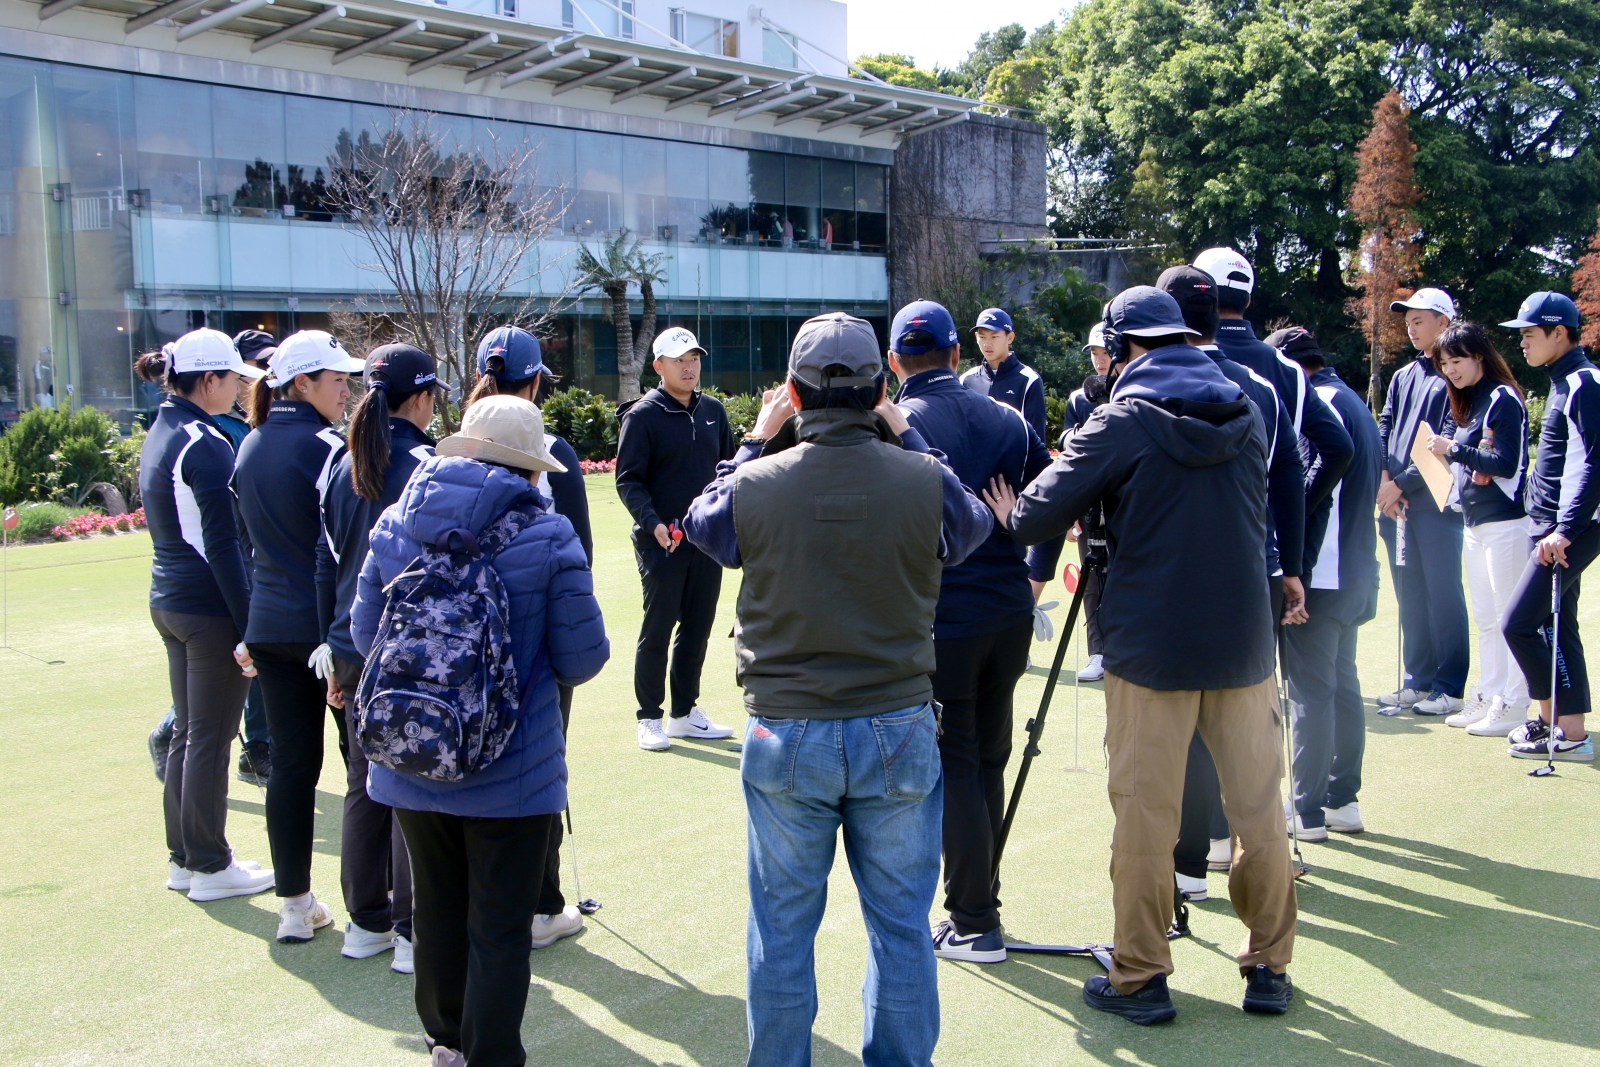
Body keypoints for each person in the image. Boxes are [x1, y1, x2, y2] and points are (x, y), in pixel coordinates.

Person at [683, 311, 991, 1067]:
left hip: (788, 727)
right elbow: (972, 525)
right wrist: (905, 429)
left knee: (782, 929)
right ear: (881, 387)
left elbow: (703, 526)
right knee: (900, 926)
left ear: (792, 391)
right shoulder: (919, 477)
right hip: (897, 723)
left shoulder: (756, 481)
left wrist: (756, 436)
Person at [986, 287, 1296, 1024]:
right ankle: (1270, 968)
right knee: (1259, 811)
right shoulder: (1248, 409)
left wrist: (1010, 512)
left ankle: (1142, 973)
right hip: (1245, 643)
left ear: (1125, 349)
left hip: (1150, 644)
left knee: (1146, 815)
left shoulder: (1121, 419)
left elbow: (1035, 511)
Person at [352, 396, 609, 1067]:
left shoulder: (397, 520)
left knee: (436, 908)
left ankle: (444, 1043)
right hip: (511, 769)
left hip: (411, 751)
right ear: (528, 468)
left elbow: (362, 634)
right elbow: (583, 657)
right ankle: (493, 1056)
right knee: (498, 927)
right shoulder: (547, 535)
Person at [888, 299, 1053, 964]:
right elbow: (1056, 488)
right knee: (987, 757)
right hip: (1008, 611)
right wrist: (1021, 535)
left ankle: (974, 918)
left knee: (958, 762)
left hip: (944, 618)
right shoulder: (1006, 416)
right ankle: (981, 899)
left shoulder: (896, 423)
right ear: (957, 354)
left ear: (896, 360)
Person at [1160, 266, 1316, 899]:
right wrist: (1292, 569)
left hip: (1171, 577)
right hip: (1252, 571)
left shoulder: (1145, 381)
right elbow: (1289, 484)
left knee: (1185, 723)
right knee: (1247, 727)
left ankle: (1189, 864)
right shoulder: (1262, 383)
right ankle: (1247, 861)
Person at [233, 329, 367, 943]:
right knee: (361, 766)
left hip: (268, 627)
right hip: (323, 633)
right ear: (301, 383)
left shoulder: (249, 444)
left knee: (291, 765)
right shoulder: (327, 448)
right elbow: (337, 549)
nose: (348, 389)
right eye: (337, 379)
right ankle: (378, 904)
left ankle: (294, 905)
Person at [463, 324, 593, 949]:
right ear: (538, 380)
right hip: (535, 645)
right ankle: (541, 905)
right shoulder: (555, 452)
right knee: (537, 771)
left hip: (459, 641)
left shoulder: (452, 454)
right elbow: (580, 558)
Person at [137, 329, 275, 903]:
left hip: (170, 600)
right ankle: (210, 864)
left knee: (192, 735)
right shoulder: (206, 441)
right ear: (210, 380)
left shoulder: (163, 428)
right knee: (210, 739)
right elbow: (223, 546)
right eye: (235, 379)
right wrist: (250, 628)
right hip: (207, 607)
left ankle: (186, 858)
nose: (242, 389)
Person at [316, 343, 439, 974]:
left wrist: (336, 649)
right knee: (410, 783)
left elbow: (326, 562)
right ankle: (412, 930)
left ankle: (365, 920)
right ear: (419, 398)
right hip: (409, 647)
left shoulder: (342, 460)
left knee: (364, 783)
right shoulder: (423, 462)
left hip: (352, 644)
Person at [1264, 328, 1381, 841]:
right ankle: (1341, 799)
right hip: (1355, 570)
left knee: (1309, 691)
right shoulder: (1353, 398)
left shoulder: (1319, 402)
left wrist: (1293, 558)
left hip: (1321, 573)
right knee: (1341, 686)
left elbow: (1308, 487)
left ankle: (1307, 809)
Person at [615, 326, 737, 751]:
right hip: (661, 541)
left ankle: (684, 714)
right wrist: (653, 523)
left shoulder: (714, 411)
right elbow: (629, 480)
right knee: (659, 628)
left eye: (694, 359)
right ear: (659, 367)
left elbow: (727, 474)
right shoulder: (642, 415)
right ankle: (649, 716)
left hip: (704, 540)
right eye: (679, 360)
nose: (689, 367)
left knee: (698, 627)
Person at [1499, 292, 1597, 763]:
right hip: (1553, 528)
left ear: (1560, 332)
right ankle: (1567, 727)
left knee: (1519, 623)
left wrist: (1565, 529)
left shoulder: (1585, 382)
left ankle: (1557, 723)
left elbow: (1598, 464)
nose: (1522, 342)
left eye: (1530, 334)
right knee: (1561, 625)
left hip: (1570, 530)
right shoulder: (1563, 382)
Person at [1422, 323, 1532, 737]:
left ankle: (1515, 703)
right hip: (1474, 522)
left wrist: (1454, 450)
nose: (1451, 370)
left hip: (1507, 523)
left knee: (1509, 619)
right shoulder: (1466, 403)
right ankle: (1488, 696)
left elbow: (1505, 463)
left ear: (1479, 356)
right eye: (1445, 364)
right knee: (1486, 618)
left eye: (1457, 360)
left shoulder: (1503, 398)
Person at [1371, 289, 1472, 716]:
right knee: (1410, 594)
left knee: (1443, 595)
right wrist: (1384, 481)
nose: (1411, 328)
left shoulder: (1455, 375)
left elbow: (1447, 443)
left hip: (1435, 505)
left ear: (1443, 322)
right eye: (1408, 322)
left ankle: (1449, 686)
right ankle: (1419, 680)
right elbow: (1385, 426)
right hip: (1396, 504)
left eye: (1419, 321)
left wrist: (1401, 486)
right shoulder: (1403, 375)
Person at [961, 307, 1062, 603]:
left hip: (1012, 490)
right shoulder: (967, 380)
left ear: (1010, 337)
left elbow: (1035, 443)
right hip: (975, 489)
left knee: (1010, 562)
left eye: (994, 336)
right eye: (981, 336)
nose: (987, 343)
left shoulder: (1028, 379)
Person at [1066, 323, 1112, 682]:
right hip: (1089, 508)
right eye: (1094, 353)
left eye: (1104, 352)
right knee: (1092, 581)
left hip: (1129, 509)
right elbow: (1071, 460)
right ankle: (1097, 651)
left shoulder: (1135, 393)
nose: (1098, 360)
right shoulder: (1079, 399)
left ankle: (1124, 650)